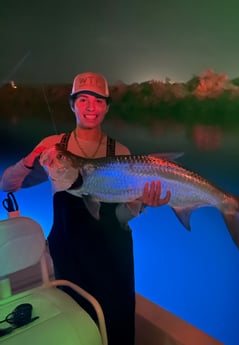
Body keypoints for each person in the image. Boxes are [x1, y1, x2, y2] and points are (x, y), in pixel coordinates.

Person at [0, 72, 171, 345]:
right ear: (72, 104)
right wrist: (31, 158)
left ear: (106, 106)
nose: (91, 107)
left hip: (113, 255)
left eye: (98, 100)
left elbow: (120, 216)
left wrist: (141, 205)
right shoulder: (56, 150)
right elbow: (7, 184)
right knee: (78, 322)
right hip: (69, 252)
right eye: (83, 99)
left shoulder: (121, 152)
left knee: (117, 323)